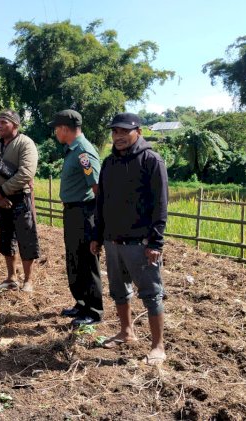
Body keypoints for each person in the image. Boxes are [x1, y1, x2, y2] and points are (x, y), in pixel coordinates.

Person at [90, 112, 168, 365]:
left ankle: (158, 346)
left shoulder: (151, 160)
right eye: (115, 132)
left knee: (151, 293)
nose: (119, 136)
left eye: (124, 131)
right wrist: (98, 235)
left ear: (138, 132)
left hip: (141, 243)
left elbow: (160, 204)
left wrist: (156, 242)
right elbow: (101, 202)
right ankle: (126, 332)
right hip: (113, 241)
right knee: (119, 291)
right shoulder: (109, 163)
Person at [50, 109, 103, 327]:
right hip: (72, 212)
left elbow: (97, 187)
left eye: (56, 128)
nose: (55, 133)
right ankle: (81, 303)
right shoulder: (72, 150)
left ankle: (93, 310)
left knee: (87, 261)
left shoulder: (83, 152)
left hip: (84, 213)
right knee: (74, 259)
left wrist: (98, 222)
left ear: (64, 129)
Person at [0, 110, 40, 292]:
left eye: (3, 122)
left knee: (26, 237)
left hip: (20, 197)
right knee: (6, 238)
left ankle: (28, 280)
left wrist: (2, 191)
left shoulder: (25, 144)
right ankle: (11, 277)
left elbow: (26, 173)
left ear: (15, 125)